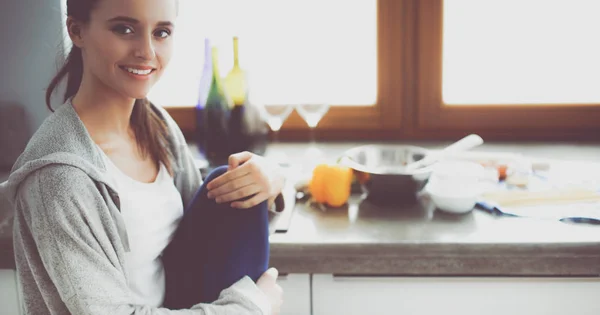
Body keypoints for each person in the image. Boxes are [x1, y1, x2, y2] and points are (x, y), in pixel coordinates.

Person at [0, 0, 286, 314]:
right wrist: (250, 306)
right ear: (77, 30)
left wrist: (270, 184)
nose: (147, 51)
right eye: (124, 29)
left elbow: (214, 227)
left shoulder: (155, 125)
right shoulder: (58, 178)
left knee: (225, 181)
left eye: (161, 32)